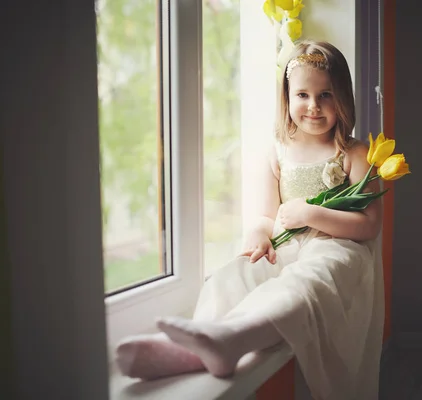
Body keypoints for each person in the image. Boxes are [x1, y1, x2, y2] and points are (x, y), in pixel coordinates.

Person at [116, 40, 385, 400]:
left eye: (326, 95)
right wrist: (258, 234)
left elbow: (369, 225)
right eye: (302, 94)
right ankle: (192, 348)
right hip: (286, 244)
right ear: (286, 98)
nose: (313, 106)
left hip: (337, 249)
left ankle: (232, 339)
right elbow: (264, 214)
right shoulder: (278, 151)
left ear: (343, 98)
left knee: (303, 285)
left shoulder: (355, 153)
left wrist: (311, 213)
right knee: (235, 276)